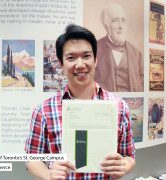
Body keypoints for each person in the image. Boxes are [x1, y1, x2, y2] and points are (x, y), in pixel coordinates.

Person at [25, 24, 135, 179]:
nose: (80, 64)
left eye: (86, 56)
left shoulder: (119, 106)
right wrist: (49, 174)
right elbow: (32, 159)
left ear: (96, 59)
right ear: (61, 64)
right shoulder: (43, 111)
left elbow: (129, 155)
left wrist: (123, 165)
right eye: (71, 58)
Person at [95, 3, 143, 92]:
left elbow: (143, 86)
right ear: (106, 25)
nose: (121, 26)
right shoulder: (95, 49)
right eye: (115, 20)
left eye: (123, 20)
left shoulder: (136, 54)